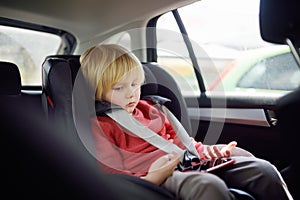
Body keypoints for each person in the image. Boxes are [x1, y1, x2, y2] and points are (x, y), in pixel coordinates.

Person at [79, 43, 293, 200]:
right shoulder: (100, 125)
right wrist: (153, 177)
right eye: (119, 88)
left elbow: (182, 144)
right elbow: (111, 176)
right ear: (97, 89)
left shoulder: (152, 109)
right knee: (207, 186)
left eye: (135, 85)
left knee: (262, 169)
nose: (131, 94)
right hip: (153, 178)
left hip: (188, 163)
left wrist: (209, 152)